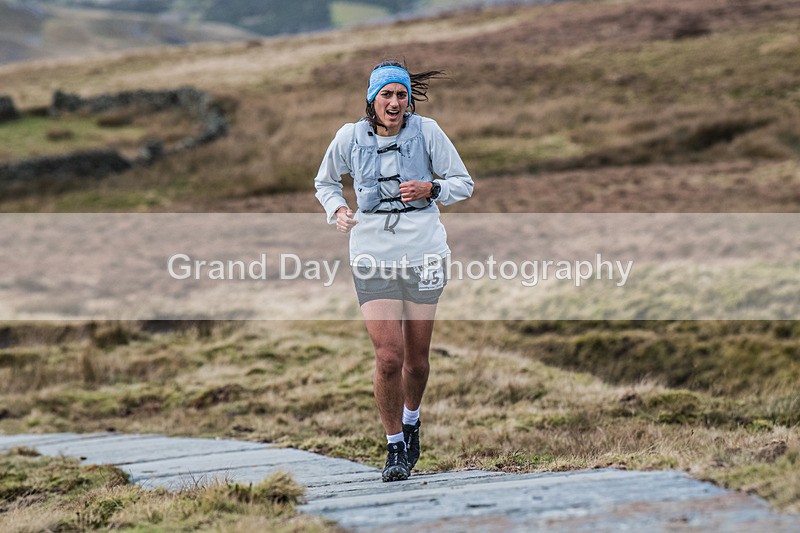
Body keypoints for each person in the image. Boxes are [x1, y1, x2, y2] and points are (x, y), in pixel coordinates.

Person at [314, 60, 473, 482]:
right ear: (372, 99)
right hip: (371, 253)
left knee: (416, 363)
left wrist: (431, 188)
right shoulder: (349, 137)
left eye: (401, 94)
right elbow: (325, 183)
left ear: (409, 99)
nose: (395, 102)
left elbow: (463, 182)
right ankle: (394, 447)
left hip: (424, 253)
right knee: (389, 357)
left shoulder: (428, 132)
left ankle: (412, 419)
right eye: (387, 94)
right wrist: (338, 210)